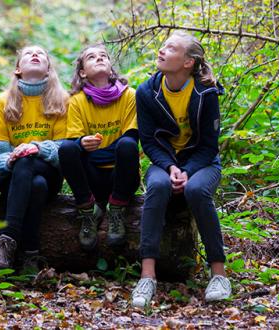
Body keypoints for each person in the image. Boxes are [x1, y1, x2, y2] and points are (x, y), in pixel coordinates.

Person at [132, 31, 230, 307]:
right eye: (163, 46)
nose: (162, 51)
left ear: (188, 62)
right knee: (159, 186)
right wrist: (171, 167)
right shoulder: (147, 91)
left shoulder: (206, 91)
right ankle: (147, 277)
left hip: (202, 163)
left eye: (171, 48)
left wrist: (186, 170)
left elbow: (210, 146)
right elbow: (149, 141)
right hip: (164, 163)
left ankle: (219, 274)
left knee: (197, 190)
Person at [0, 45, 68, 271]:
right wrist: (12, 158)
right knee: (34, 182)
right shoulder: (3, 101)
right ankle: (31, 254)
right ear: (18, 69)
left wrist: (34, 148)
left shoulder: (62, 100)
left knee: (32, 166)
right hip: (13, 177)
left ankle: (7, 242)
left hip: (50, 172)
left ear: (49, 69)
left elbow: (65, 149)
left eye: (41, 54)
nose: (35, 55)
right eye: (28, 54)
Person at [58, 44, 140, 251]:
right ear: (83, 72)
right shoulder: (76, 101)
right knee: (68, 148)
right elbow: (73, 146)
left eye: (103, 56)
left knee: (127, 144)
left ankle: (117, 210)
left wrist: (96, 149)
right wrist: (81, 144)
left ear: (111, 68)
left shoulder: (130, 95)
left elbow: (131, 139)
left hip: (121, 177)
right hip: (92, 177)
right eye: (92, 57)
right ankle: (88, 211)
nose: (100, 58)